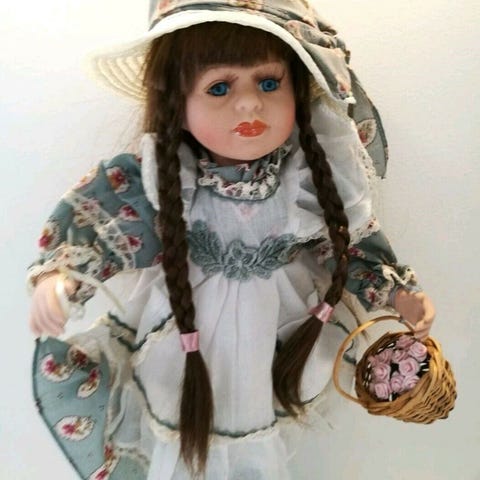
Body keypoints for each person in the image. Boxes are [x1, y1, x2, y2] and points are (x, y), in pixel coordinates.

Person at [28, 1, 435, 478]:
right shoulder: (166, 179)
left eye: (269, 82)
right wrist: (61, 279)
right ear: (176, 102)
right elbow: (102, 228)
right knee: (184, 445)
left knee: (258, 447)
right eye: (219, 87)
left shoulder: (311, 179)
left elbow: (348, 246)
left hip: (275, 345)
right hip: (185, 344)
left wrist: (396, 294)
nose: (249, 104)